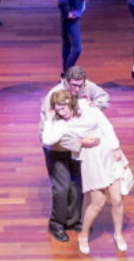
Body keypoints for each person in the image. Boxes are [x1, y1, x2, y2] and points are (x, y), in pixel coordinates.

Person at [43, 90, 131, 254]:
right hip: (91, 160)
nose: (62, 113)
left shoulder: (86, 107)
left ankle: (118, 234)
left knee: (117, 199)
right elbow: (47, 140)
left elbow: (106, 125)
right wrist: (49, 118)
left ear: (70, 103)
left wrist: (116, 147)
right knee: (98, 202)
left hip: (108, 153)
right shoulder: (61, 124)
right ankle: (83, 235)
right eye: (58, 110)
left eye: (63, 108)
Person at [39, 67, 110, 242]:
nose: (77, 90)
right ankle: (57, 224)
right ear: (65, 81)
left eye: (81, 86)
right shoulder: (53, 97)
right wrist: (80, 142)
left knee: (77, 185)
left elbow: (103, 97)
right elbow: (48, 135)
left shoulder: (86, 87)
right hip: (57, 148)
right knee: (61, 188)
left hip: (77, 149)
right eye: (74, 86)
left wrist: (97, 105)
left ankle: (72, 221)